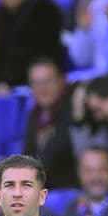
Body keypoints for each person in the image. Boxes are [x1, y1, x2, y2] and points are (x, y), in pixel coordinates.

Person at [0, 0, 68, 93]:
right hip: (3, 84)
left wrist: (8, 83)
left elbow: (38, 55)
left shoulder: (43, 10)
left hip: (33, 82)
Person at [24, 58, 78, 190]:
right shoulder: (34, 115)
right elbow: (28, 155)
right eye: (36, 83)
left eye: (48, 81)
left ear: (62, 81)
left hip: (71, 189)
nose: (42, 88)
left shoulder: (73, 109)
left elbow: (54, 153)